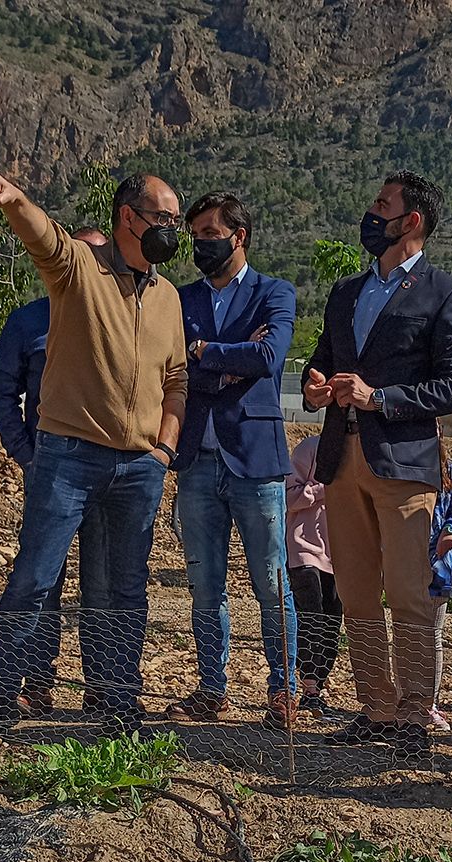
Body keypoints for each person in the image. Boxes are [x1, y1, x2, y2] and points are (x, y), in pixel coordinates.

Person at [0, 167, 189, 732]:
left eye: (175, 220)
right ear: (127, 218)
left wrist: (163, 448)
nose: (171, 230)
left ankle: (116, 703)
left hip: (140, 467)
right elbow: (44, 238)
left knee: (124, 590)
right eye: (162, 218)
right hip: (69, 457)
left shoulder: (167, 298)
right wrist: (16, 200)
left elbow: (178, 379)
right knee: (35, 579)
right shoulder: (79, 270)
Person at [302, 171, 452, 759]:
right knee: (355, 594)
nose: (371, 211)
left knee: (409, 594)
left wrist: (380, 398)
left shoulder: (443, 293)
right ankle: (376, 708)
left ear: (412, 222)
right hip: (341, 459)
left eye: (383, 204)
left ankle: (414, 717)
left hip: (404, 464)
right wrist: (316, 384)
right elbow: (321, 362)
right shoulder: (345, 293)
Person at [165, 192, 300, 726]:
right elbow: (172, 367)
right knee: (204, 583)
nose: (199, 243)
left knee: (271, 581)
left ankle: (284, 691)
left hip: (256, 460)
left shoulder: (275, 294)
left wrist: (204, 352)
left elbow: (268, 359)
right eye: (194, 234)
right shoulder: (180, 299)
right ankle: (211, 687)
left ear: (237, 236)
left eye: (208, 233)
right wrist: (223, 359)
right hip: (197, 457)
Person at [0, 226, 109, 716]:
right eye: (83, 256)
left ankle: (104, 686)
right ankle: (31, 682)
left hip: (111, 472)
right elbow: (3, 395)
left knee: (103, 582)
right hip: (51, 472)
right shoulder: (28, 322)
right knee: (40, 580)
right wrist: (27, 453)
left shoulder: (122, 320)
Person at [285, 434, 339, 713]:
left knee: (332, 622)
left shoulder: (362, 450)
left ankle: (318, 685)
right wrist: (323, 490)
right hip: (304, 548)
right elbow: (290, 498)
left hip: (341, 554)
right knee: (311, 616)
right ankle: (309, 688)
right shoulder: (308, 449)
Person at [425, 444, 452, 732]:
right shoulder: (398, 469)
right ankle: (405, 700)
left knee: (432, 636)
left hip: (438, 567)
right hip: (404, 563)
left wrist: (449, 532)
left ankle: (430, 704)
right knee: (405, 633)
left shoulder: (448, 472)